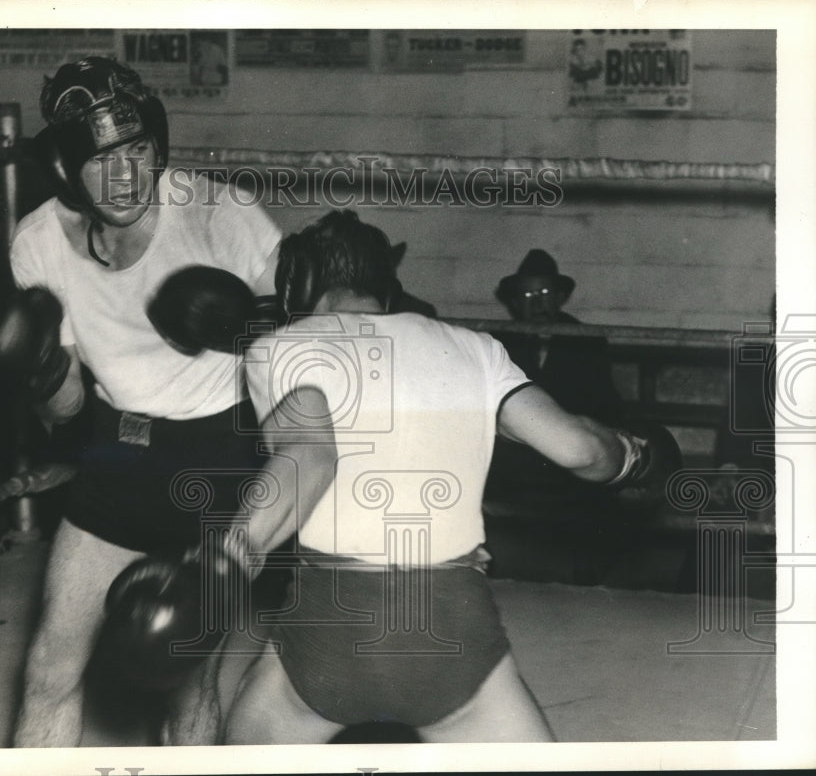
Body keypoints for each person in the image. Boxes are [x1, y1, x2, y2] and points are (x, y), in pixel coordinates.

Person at [157, 211, 678, 744]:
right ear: (387, 284)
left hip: (330, 626)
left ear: (297, 283)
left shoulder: (282, 348)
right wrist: (641, 454)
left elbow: (309, 455)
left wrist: (225, 561)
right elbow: (580, 450)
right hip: (452, 625)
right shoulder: (476, 348)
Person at [0, 56, 282, 747]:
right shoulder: (40, 242)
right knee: (50, 666)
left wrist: (247, 327)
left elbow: (310, 345)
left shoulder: (221, 215)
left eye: (139, 151)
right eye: (102, 157)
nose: (126, 175)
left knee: (185, 674)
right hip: (116, 455)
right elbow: (67, 411)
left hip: (216, 459)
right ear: (63, 170)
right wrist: (41, 364)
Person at [485, 249, 625, 584]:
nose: (538, 304)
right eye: (529, 296)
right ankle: (485, 570)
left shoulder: (585, 339)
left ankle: (586, 576)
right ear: (516, 303)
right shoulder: (502, 341)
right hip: (516, 451)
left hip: (565, 453)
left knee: (592, 466)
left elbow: (603, 402)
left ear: (561, 298)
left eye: (546, 294)